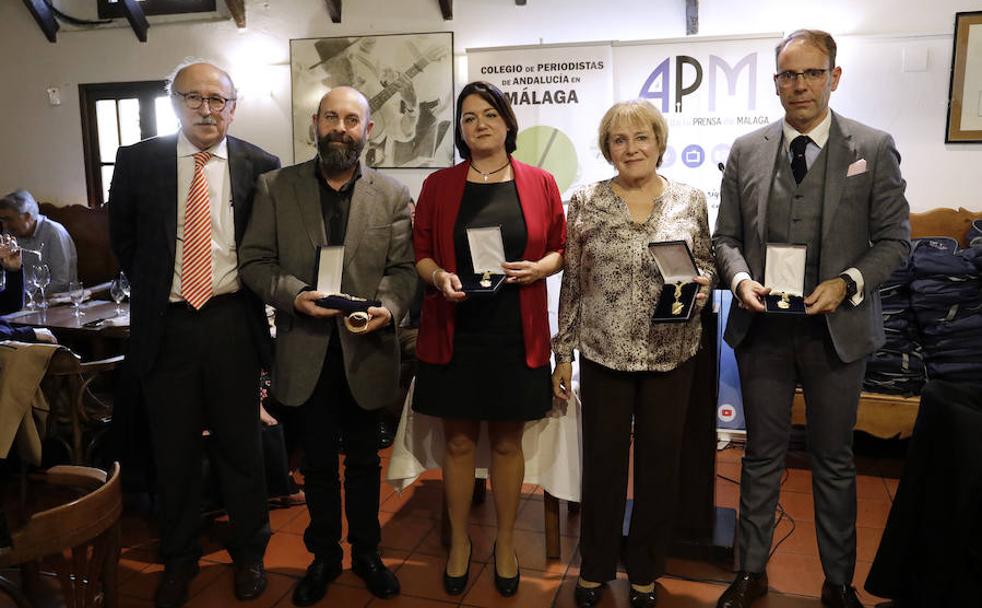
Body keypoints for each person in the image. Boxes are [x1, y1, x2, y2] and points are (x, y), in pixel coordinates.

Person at [712, 30, 911, 608]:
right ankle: (750, 571)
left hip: (836, 335)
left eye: (811, 74)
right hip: (764, 333)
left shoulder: (872, 148)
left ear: (835, 76)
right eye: (787, 76)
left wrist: (847, 283)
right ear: (775, 82)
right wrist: (741, 279)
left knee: (833, 460)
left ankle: (838, 582)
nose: (798, 86)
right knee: (760, 457)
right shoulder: (747, 149)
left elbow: (895, 241)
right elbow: (726, 238)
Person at [108, 60, 280, 608]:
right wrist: (163, 290)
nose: (207, 109)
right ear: (174, 101)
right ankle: (178, 557)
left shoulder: (261, 165)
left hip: (233, 321)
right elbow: (126, 242)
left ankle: (251, 551)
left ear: (234, 105)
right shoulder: (139, 162)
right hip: (169, 325)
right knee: (173, 450)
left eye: (218, 99)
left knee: (242, 447)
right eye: (194, 98)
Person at [238, 86, 416, 606]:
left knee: (363, 462)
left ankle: (366, 552)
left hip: (367, 350)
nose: (342, 127)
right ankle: (323, 557)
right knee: (316, 465)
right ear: (315, 123)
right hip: (304, 348)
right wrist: (295, 297)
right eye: (332, 117)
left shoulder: (392, 195)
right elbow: (254, 262)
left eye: (352, 119)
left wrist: (387, 306)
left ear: (368, 131)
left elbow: (404, 271)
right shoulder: (274, 187)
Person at [551, 99, 715, 608]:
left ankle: (645, 570)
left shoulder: (691, 200)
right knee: (602, 465)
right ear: (607, 149)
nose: (631, 148)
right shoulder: (585, 202)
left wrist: (703, 285)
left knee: (660, 465)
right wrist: (564, 353)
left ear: (659, 142)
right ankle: (596, 567)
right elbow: (573, 282)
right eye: (619, 140)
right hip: (605, 355)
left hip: (672, 354)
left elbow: (704, 261)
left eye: (641, 137)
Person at [412, 80, 566, 598]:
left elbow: (561, 249)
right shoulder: (438, 186)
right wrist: (439, 278)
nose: (479, 124)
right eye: (468, 117)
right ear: (460, 129)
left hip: (513, 329)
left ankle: (503, 542)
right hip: (456, 329)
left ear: (507, 122)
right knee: (457, 442)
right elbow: (423, 253)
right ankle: (459, 543)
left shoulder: (541, 181)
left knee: (506, 441)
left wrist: (538, 267)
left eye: (489, 114)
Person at [0, 189, 78, 294]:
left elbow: (61, 282)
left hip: (58, 301)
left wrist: (29, 295)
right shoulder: (10, 234)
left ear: (27, 216)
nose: (5, 225)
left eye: (9, 219)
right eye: (2, 220)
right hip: (24, 300)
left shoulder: (54, 232)